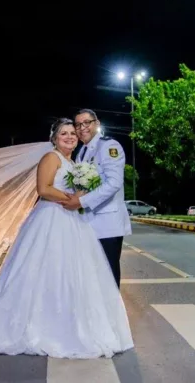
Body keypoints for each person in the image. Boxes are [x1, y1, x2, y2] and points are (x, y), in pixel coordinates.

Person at [0, 118, 133, 358]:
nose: (69, 137)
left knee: (70, 273)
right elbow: (43, 189)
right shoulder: (51, 158)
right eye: (64, 133)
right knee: (40, 269)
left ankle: (65, 324)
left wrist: (80, 197)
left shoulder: (74, 161)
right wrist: (70, 198)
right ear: (54, 138)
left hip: (73, 220)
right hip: (49, 218)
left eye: (72, 133)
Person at [62, 109, 131, 288]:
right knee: (94, 275)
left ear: (97, 123)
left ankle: (113, 315)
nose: (82, 128)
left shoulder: (109, 146)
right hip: (89, 223)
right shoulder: (82, 152)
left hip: (108, 224)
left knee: (108, 273)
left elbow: (114, 183)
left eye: (87, 122)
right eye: (78, 124)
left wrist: (81, 202)